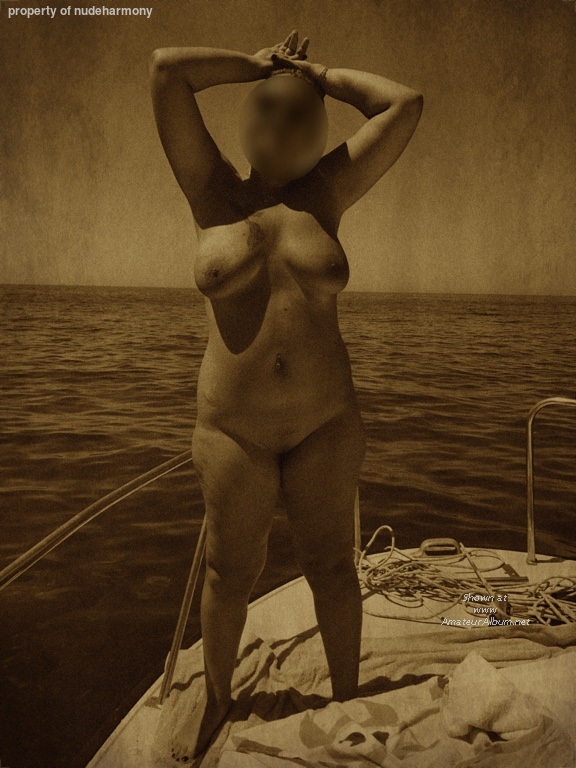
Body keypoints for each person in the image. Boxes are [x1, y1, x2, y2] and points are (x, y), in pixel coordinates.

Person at [148, 29, 423, 760]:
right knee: (228, 573)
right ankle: (217, 702)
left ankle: (346, 700)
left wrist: (320, 74)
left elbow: (404, 103)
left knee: (332, 568)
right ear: (244, 116)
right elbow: (167, 71)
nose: (283, 123)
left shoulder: (327, 191)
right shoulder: (211, 190)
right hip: (231, 430)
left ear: (323, 126)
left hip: (324, 423)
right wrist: (253, 66)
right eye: (267, 107)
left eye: (303, 114)